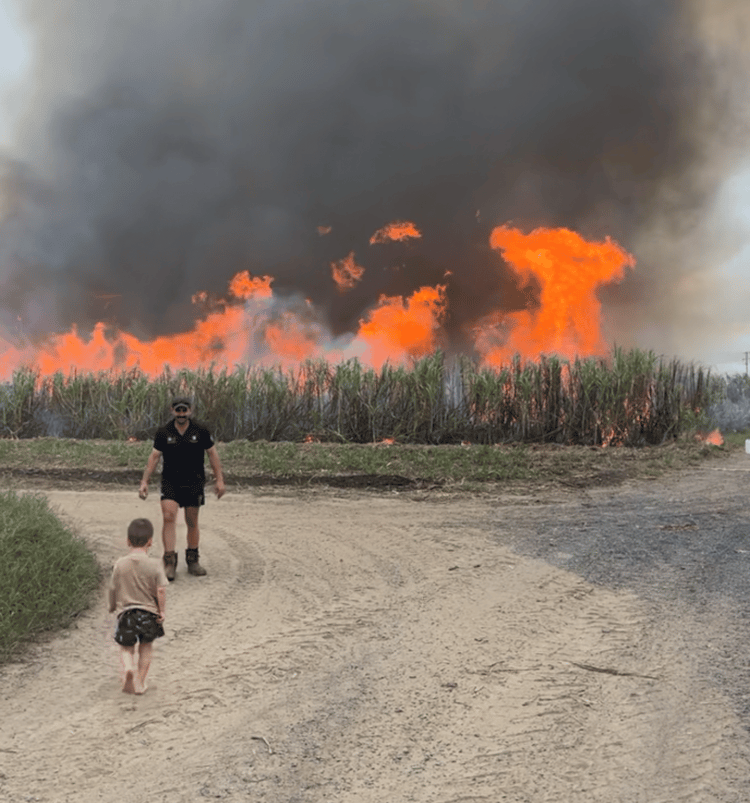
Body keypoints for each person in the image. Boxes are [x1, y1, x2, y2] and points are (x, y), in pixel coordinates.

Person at [138, 395, 225, 580]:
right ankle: (169, 562)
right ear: (172, 411)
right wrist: (144, 481)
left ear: (190, 411)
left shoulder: (200, 430)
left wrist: (219, 480)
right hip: (170, 482)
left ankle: (193, 559)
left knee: (192, 521)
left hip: (194, 482)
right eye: (178, 410)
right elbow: (154, 457)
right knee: (169, 517)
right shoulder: (164, 432)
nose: (181, 414)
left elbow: (213, 454)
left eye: (184, 410)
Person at [108, 518, 167, 695]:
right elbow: (161, 590)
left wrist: (112, 606)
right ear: (150, 541)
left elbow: (113, 588)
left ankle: (128, 668)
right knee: (146, 647)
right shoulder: (155, 565)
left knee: (126, 647)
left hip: (126, 613)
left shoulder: (120, 564)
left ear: (128, 541)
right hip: (148, 613)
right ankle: (140, 682)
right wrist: (161, 610)